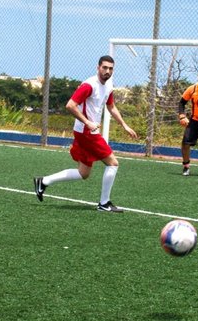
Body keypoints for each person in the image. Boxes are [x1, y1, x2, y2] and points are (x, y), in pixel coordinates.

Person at [33, 55, 140, 213]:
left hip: (87, 132)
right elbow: (70, 105)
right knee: (113, 163)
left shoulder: (109, 85)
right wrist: (87, 122)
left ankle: (44, 181)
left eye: (110, 68)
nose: (107, 71)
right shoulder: (89, 85)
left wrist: (124, 125)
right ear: (98, 68)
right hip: (86, 132)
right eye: (104, 68)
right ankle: (104, 204)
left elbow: (111, 106)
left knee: (83, 173)